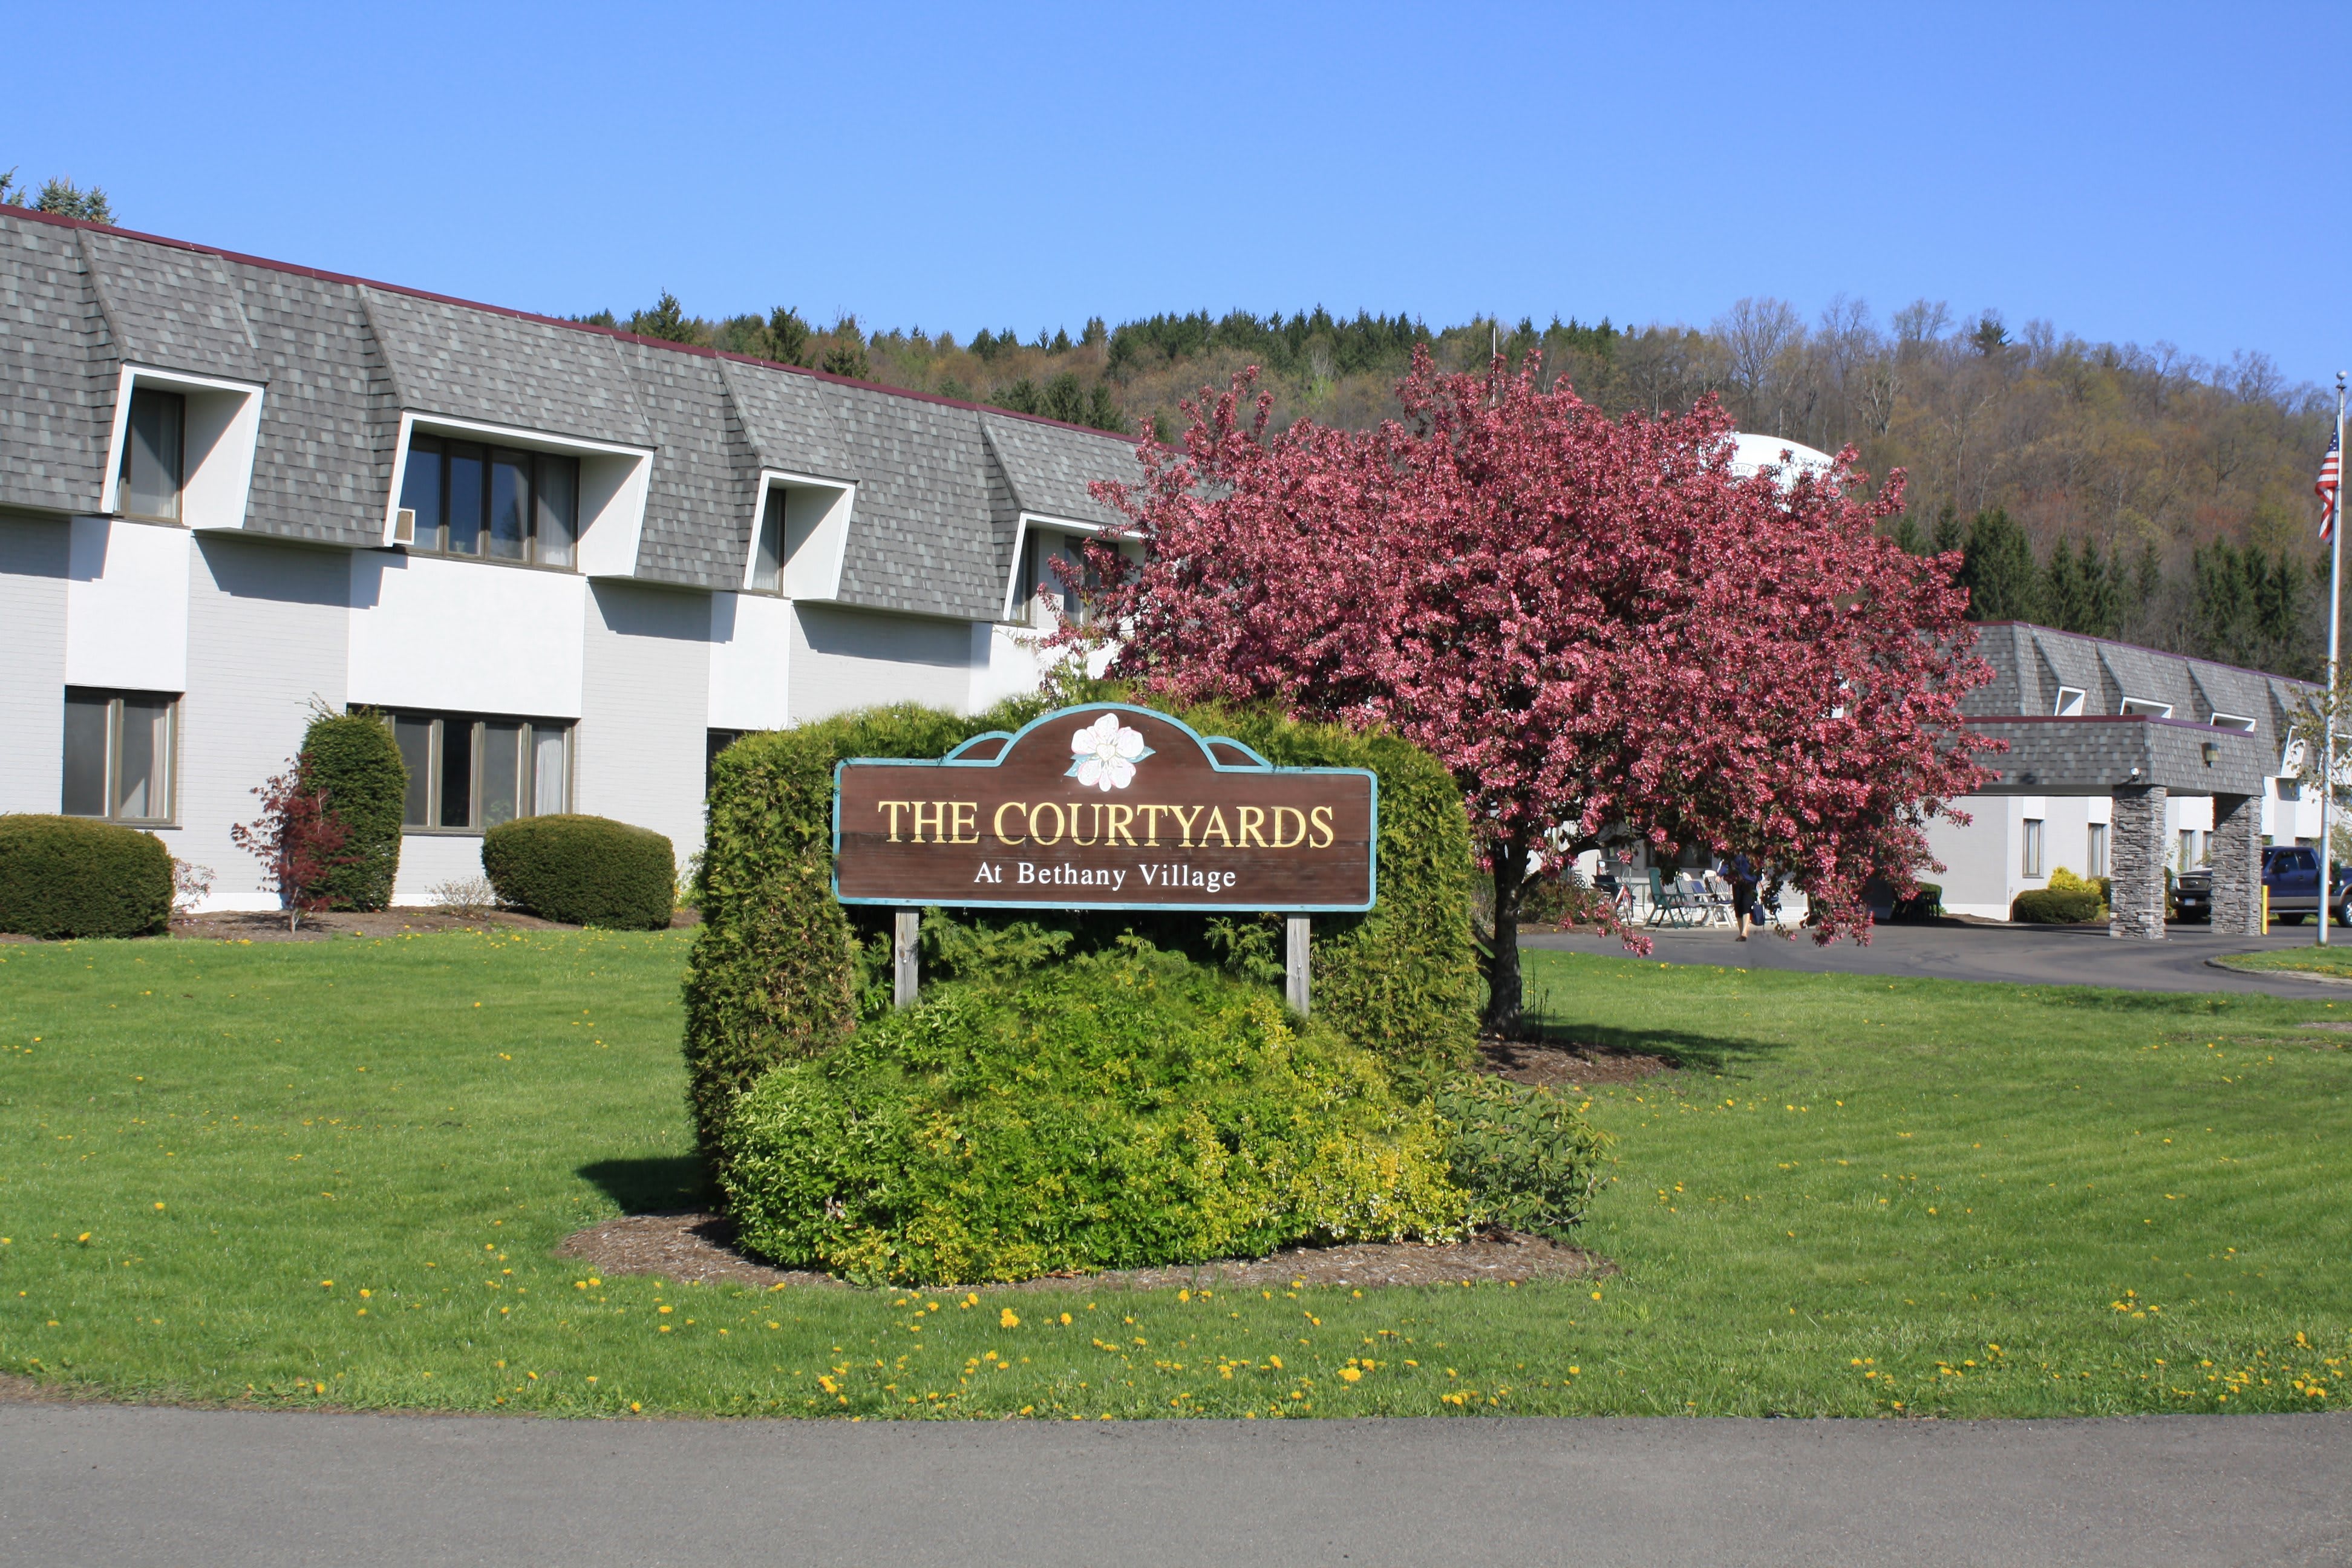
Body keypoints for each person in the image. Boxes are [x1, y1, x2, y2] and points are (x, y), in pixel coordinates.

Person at [1726, 852, 1761, 941]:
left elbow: (1759, 866)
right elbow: (1727, 864)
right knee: (1738, 907)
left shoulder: (1752, 853)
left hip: (1750, 883)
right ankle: (1741, 932)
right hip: (1737, 882)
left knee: (1746, 905)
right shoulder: (1735, 854)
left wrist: (1757, 878)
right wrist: (1719, 875)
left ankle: (1744, 933)